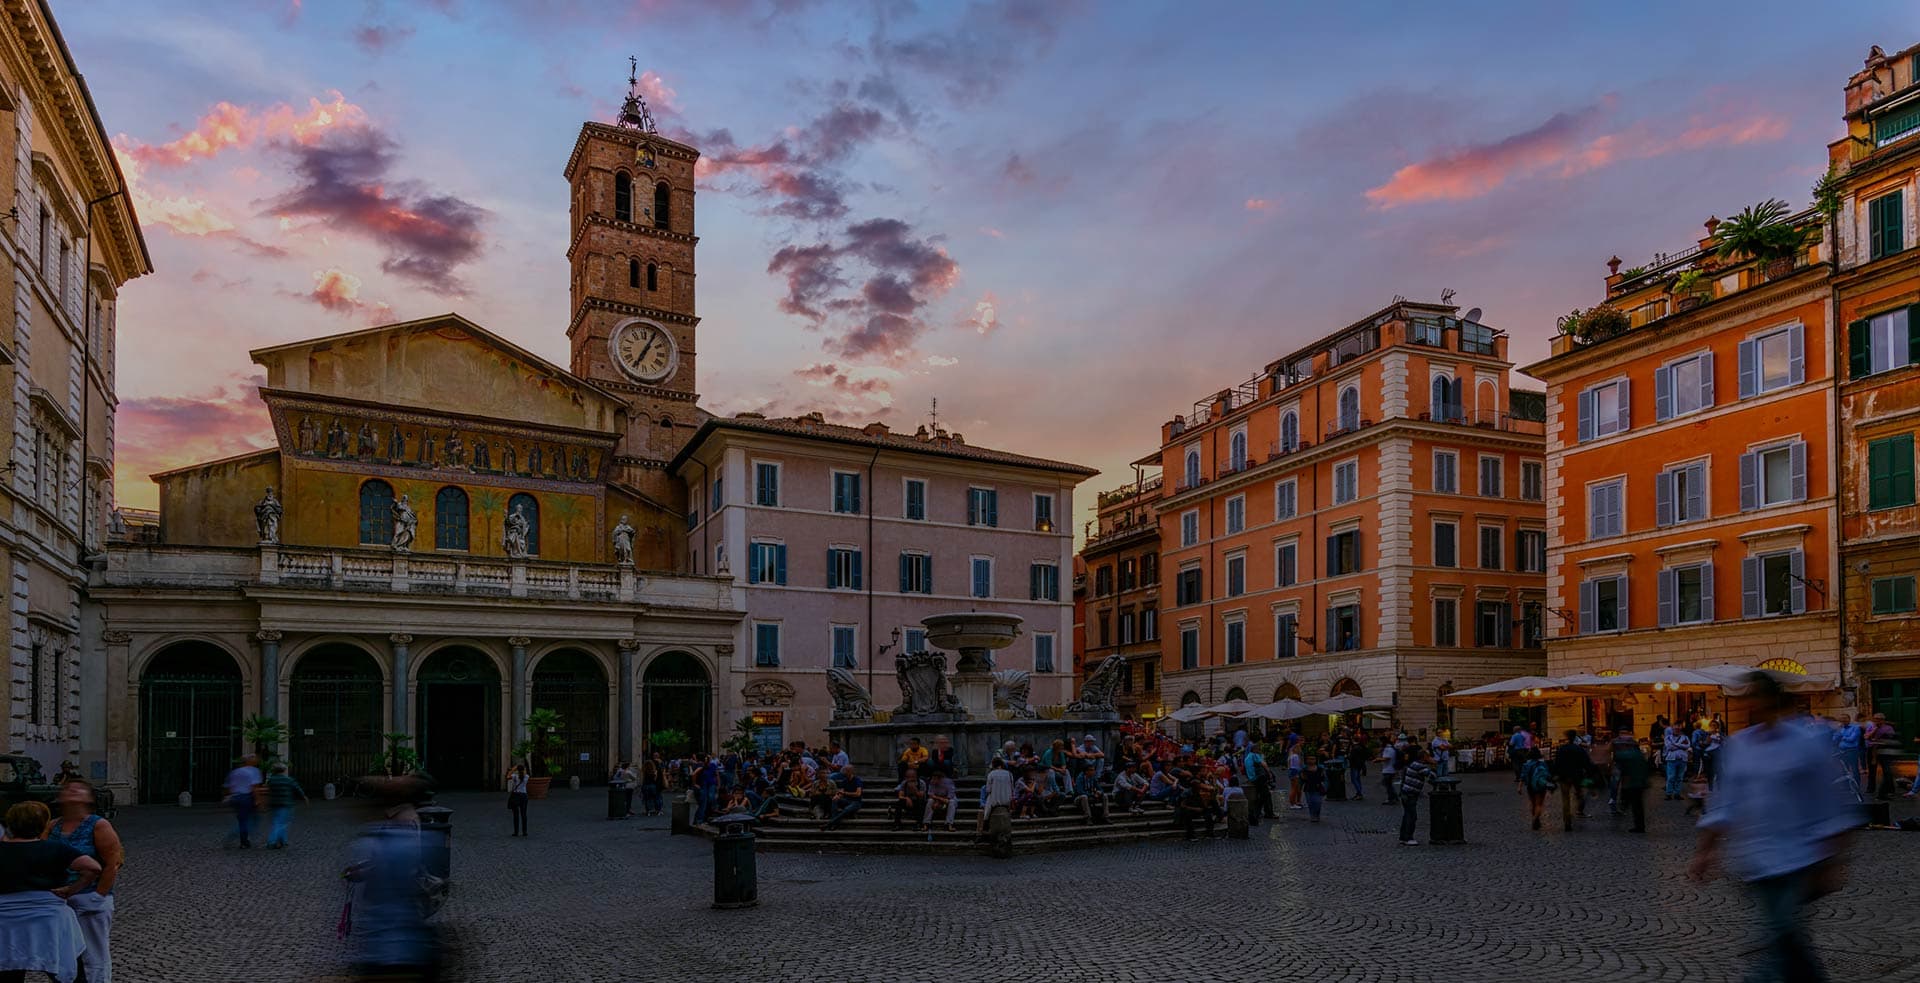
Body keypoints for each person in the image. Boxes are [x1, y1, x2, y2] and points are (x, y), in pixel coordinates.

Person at [1690, 673, 1857, 983]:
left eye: (1758, 701)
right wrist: (1705, 851)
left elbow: (1831, 804)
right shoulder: (1739, 746)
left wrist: (1834, 860)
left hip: (1799, 857)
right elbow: (1726, 803)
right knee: (1785, 936)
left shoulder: (1806, 745)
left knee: (1781, 933)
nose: (1752, 708)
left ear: (1773, 703)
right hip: (1755, 859)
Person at [343, 778, 440, 982]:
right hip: (407, 941)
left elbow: (391, 870)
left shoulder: (378, 838)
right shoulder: (395, 835)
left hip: (384, 942)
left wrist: (365, 871)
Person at [1, 800, 102, 983]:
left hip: (5, 921)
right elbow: (92, 868)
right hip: (49, 919)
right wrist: (72, 889)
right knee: (68, 974)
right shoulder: (55, 848)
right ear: (43, 824)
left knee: (8, 972)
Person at [50, 781, 120, 983]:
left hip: (90, 897)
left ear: (89, 798)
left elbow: (113, 862)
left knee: (93, 956)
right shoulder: (53, 825)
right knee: (63, 955)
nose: (72, 789)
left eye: (79, 788)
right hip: (60, 900)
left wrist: (98, 896)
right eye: (67, 788)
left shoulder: (99, 825)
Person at [1552, 729, 1592, 832]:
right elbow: (1586, 762)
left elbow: (1556, 763)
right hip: (1577, 776)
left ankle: (1567, 820)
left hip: (1564, 776)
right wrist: (1589, 774)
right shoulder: (1578, 749)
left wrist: (1555, 775)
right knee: (1579, 794)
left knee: (1565, 799)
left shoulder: (1561, 749)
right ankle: (1579, 809)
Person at [264, 763, 309, 849]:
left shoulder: (271, 780)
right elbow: (297, 788)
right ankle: (272, 841)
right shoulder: (288, 780)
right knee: (281, 823)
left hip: (274, 804)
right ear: (284, 770)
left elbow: (268, 790)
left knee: (278, 822)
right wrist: (304, 797)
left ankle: (283, 841)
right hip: (285, 804)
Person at [223, 754, 263, 849]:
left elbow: (228, 786)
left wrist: (229, 796)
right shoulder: (254, 771)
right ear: (250, 761)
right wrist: (258, 800)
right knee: (253, 820)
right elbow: (254, 787)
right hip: (247, 797)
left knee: (242, 819)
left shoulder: (235, 772)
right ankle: (241, 838)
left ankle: (242, 839)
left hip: (236, 797)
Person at [1614, 734, 1652, 833]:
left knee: (1636, 805)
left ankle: (1639, 826)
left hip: (1633, 783)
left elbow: (1617, 757)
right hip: (1639, 782)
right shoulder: (1638, 753)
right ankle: (1639, 825)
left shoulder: (1629, 754)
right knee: (1637, 805)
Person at [1397, 748, 1434, 845]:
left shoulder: (1414, 764)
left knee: (1407, 815)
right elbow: (1432, 775)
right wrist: (1433, 763)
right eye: (1428, 756)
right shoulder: (1420, 766)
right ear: (1424, 757)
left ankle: (1403, 837)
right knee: (1412, 816)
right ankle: (1408, 837)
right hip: (1410, 794)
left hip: (1406, 792)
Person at [1868, 714, 1902, 800]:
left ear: (1883, 720)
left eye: (1878, 719)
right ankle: (1881, 793)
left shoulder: (1888, 728)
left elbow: (1891, 739)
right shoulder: (1872, 728)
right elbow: (1868, 738)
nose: (1876, 721)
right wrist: (1874, 757)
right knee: (1886, 773)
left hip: (1888, 753)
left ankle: (1885, 792)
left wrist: (1879, 741)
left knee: (1887, 773)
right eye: (1875, 719)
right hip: (1879, 753)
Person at [977, 758, 1014, 836]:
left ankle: (984, 824)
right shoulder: (1009, 774)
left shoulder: (991, 774)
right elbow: (1012, 788)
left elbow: (988, 790)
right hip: (1007, 800)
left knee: (986, 809)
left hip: (995, 801)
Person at [820, 765, 864, 830]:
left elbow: (858, 794)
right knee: (835, 800)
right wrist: (837, 796)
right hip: (846, 800)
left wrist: (845, 793)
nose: (843, 773)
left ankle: (829, 824)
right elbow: (841, 792)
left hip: (856, 802)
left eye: (845, 771)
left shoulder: (857, 780)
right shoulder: (845, 781)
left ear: (850, 772)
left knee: (846, 810)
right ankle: (834, 823)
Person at [1520, 748, 1553, 831]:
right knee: (1539, 804)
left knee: (1533, 803)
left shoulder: (1526, 764)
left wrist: (1519, 787)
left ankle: (1535, 818)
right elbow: (1548, 774)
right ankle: (1535, 819)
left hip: (1530, 786)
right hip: (1540, 786)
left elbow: (1522, 776)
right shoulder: (1543, 764)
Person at [1662, 725, 1691, 800]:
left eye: (1678, 729)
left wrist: (1675, 745)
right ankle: (1669, 793)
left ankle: (1677, 793)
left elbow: (1687, 746)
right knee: (1671, 777)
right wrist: (1681, 746)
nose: (1677, 730)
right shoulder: (1668, 737)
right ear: (1672, 730)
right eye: (1675, 729)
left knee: (1680, 777)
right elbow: (1669, 747)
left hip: (1682, 759)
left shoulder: (1685, 737)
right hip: (1672, 759)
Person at [1300, 754, 1327, 823]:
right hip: (1308, 788)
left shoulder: (1320, 769)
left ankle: (1316, 815)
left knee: (1318, 802)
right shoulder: (1304, 769)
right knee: (1310, 802)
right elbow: (1302, 780)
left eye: (1313, 759)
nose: (1311, 760)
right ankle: (1313, 815)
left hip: (1317, 787)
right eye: (1310, 759)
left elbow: (1324, 778)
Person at [505, 764, 530, 837]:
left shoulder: (515, 776)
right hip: (524, 796)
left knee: (516, 815)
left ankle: (516, 832)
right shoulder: (527, 777)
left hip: (516, 796)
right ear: (524, 770)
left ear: (517, 770)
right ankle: (524, 832)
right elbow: (525, 773)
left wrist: (512, 769)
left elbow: (507, 777)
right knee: (524, 814)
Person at [1378, 737, 1401, 805]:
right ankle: (1395, 797)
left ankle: (1391, 799)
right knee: (1388, 784)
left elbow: (1387, 758)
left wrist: (1378, 759)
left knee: (1387, 785)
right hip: (1389, 769)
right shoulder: (1390, 748)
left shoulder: (1388, 749)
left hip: (1388, 770)